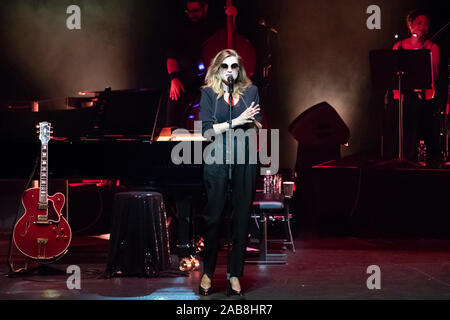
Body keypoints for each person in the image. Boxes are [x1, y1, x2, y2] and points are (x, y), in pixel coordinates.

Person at [198, 49, 261, 296]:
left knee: (241, 218)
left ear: (240, 70)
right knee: (213, 218)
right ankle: (208, 272)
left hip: (245, 159)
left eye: (234, 66)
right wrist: (238, 121)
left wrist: (253, 121)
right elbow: (206, 131)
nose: (230, 71)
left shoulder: (251, 92)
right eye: (225, 67)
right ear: (217, 69)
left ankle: (235, 274)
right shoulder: (208, 94)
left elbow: (257, 122)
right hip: (216, 160)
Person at [165, 0, 237, 128]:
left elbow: (231, 41)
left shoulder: (214, 27)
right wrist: (173, 79)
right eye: (189, 12)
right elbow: (172, 57)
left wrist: (233, 18)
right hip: (187, 80)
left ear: (205, 8)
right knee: (174, 99)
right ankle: (171, 137)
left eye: (196, 11)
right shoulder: (181, 29)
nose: (192, 15)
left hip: (211, 81)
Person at [388, 9, 441, 162]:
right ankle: (399, 155)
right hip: (403, 97)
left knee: (421, 118)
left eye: (426, 24)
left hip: (423, 97)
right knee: (399, 116)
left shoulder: (433, 47)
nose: (422, 26)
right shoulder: (398, 46)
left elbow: (434, 76)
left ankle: (421, 158)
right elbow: (392, 74)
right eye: (419, 23)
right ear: (410, 25)